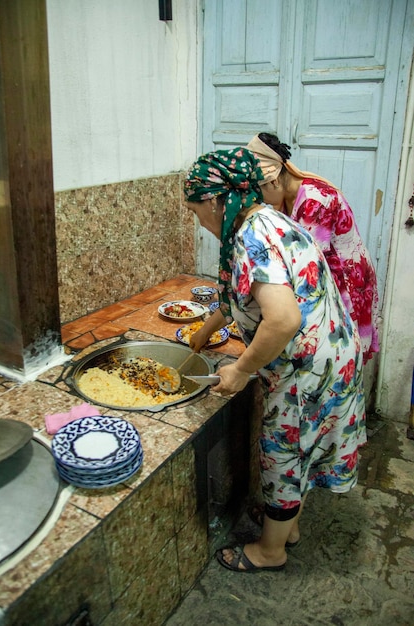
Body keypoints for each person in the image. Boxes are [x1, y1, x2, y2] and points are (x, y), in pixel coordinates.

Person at [184, 147, 367, 573]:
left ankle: (270, 552)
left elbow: (283, 318)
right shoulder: (266, 217)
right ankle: (288, 528)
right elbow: (243, 294)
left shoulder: (250, 238)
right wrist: (204, 333)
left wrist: (242, 369)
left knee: (282, 456)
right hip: (332, 354)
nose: (200, 223)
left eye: (196, 212)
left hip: (306, 370)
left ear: (214, 200)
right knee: (303, 451)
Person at [246, 132, 379, 366]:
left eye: (260, 192)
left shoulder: (316, 200)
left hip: (346, 279)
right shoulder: (287, 198)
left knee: (337, 352)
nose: (262, 201)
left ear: (274, 181)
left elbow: (303, 262)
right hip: (325, 273)